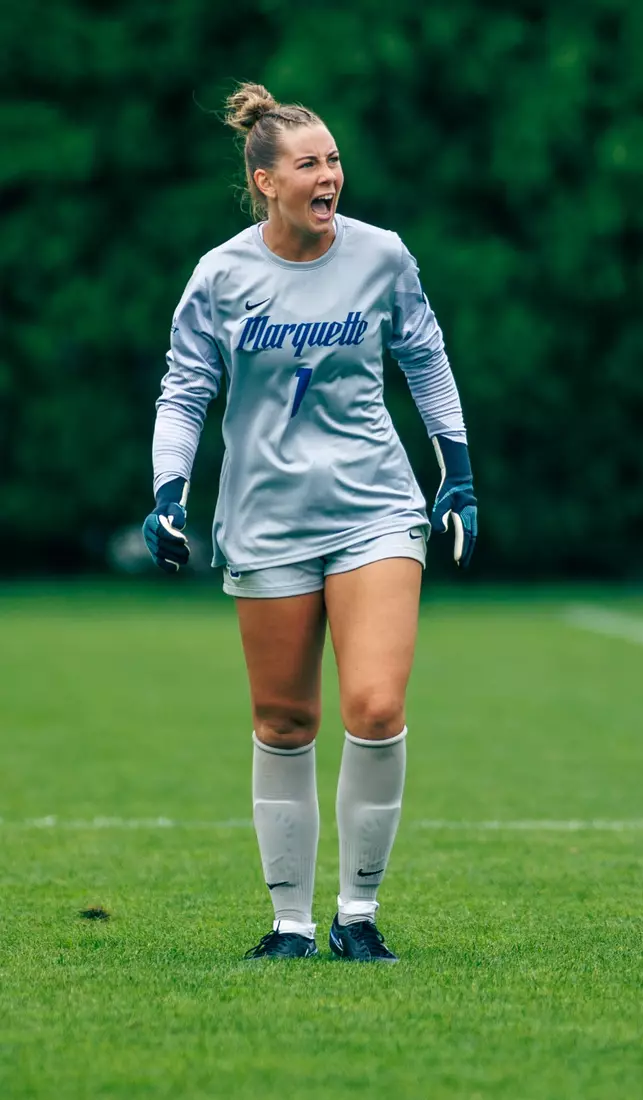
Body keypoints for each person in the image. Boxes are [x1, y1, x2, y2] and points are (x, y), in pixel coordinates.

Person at [142, 82, 477, 963]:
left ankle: (357, 915)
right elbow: (184, 390)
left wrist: (458, 473)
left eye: (333, 161)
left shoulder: (382, 257)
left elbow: (427, 359)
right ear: (266, 182)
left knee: (377, 705)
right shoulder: (221, 277)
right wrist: (169, 492)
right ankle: (290, 924)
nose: (329, 177)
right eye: (308, 165)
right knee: (285, 722)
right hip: (266, 520)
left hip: (376, 508)